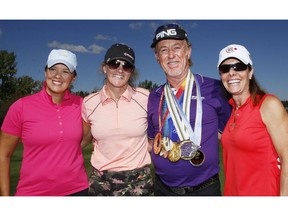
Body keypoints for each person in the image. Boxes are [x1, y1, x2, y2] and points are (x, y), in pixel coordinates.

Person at [147, 23, 232, 196]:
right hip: (163, 190)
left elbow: (232, 137)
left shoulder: (215, 88)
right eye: (163, 50)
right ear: (157, 57)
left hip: (205, 190)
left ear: (188, 51)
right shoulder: (154, 96)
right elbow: (151, 142)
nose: (171, 55)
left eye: (177, 47)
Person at [0, 49, 89, 196]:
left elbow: (88, 135)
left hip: (77, 191)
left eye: (66, 71)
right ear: (45, 72)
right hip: (33, 194)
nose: (58, 76)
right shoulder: (21, 106)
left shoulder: (82, 105)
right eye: (53, 69)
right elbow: (3, 155)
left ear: (73, 78)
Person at [81, 43, 153, 196]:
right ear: (104, 67)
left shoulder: (146, 97)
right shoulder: (88, 103)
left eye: (126, 66)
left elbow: (155, 136)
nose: (120, 69)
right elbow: (83, 139)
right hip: (101, 182)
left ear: (131, 72)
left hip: (139, 181)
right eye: (114, 63)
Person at [217, 44, 288, 196]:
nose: (231, 73)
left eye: (239, 66)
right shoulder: (231, 112)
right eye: (225, 69)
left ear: (250, 72)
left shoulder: (268, 105)